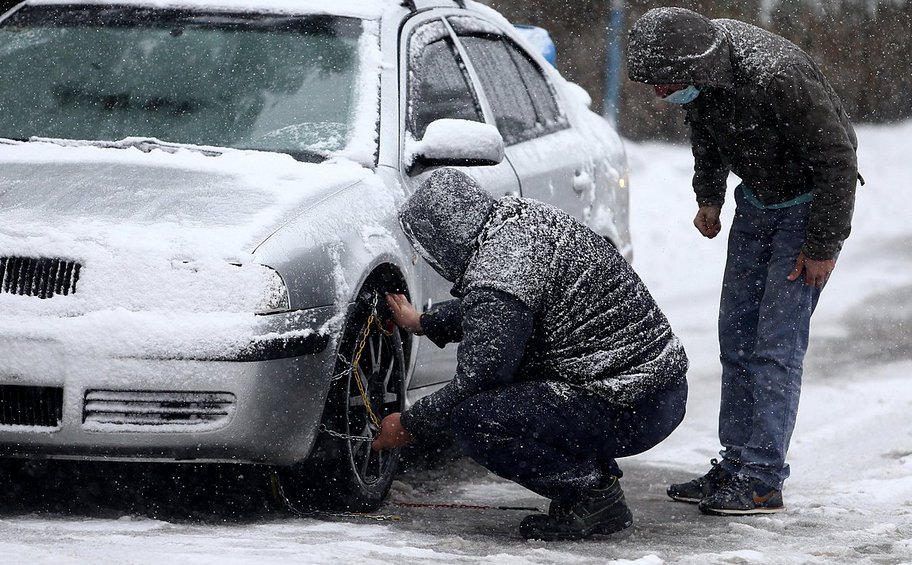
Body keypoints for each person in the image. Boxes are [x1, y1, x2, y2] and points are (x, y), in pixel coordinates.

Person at [626, 7, 859, 515]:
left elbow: (837, 158)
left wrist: (822, 245)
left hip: (806, 211)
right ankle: (734, 463)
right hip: (755, 205)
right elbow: (707, 133)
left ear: (695, 67)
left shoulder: (775, 76)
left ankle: (761, 480)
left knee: (774, 346)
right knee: (736, 337)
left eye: (666, 85)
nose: (660, 94)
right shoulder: (703, 73)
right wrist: (708, 195)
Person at [371, 168, 688, 541]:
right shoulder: (516, 224)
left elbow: (482, 374)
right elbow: (497, 313)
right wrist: (424, 321)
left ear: (443, 239)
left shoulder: (501, 269)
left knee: (477, 418)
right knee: (520, 383)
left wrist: (410, 423)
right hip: (654, 389)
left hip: (632, 403)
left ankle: (592, 495)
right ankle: (592, 483)